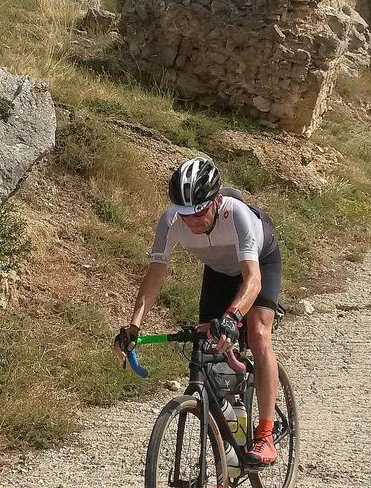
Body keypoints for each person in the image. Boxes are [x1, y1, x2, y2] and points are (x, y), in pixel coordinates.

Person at [113, 157, 283, 466]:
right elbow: (153, 278)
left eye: (200, 212)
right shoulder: (170, 221)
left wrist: (232, 318)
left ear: (217, 200)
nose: (191, 221)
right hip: (219, 270)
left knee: (257, 333)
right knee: (208, 345)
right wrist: (133, 327)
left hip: (259, 263)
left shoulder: (237, 214)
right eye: (184, 213)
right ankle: (229, 429)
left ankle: (266, 434)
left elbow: (253, 280)